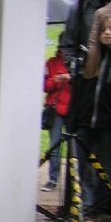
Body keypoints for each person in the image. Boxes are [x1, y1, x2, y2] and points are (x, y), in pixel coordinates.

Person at [67, 12, 111, 222]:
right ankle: (82, 206)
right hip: (85, 122)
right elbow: (78, 94)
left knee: (106, 167)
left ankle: (100, 207)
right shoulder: (89, 60)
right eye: (104, 29)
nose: (107, 33)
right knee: (79, 164)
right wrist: (72, 121)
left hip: (109, 125)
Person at [42, 38, 71, 191]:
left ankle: (73, 182)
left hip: (72, 109)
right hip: (56, 109)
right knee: (55, 145)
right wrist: (56, 80)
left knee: (75, 147)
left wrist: (70, 79)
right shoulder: (51, 63)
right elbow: (45, 86)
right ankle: (53, 178)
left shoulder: (78, 63)